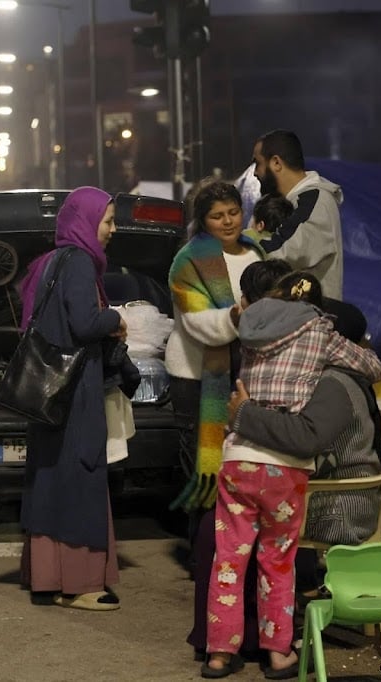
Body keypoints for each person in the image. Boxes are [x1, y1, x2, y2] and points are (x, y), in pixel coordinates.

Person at [203, 266, 381, 679]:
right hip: (284, 468)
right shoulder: (320, 330)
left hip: (238, 458)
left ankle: (218, 655)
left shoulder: (251, 323)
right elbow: (371, 367)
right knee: (277, 561)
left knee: (228, 560)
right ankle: (278, 653)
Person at [18, 186, 128, 611]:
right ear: (87, 221)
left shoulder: (50, 261)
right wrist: (115, 317)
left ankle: (49, 576)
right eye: (108, 221)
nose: (112, 230)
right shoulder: (80, 262)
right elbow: (85, 325)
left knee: (51, 479)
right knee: (82, 475)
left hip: (50, 392)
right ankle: (80, 584)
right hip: (76, 390)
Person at [166, 178, 264, 514]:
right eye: (217, 216)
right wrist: (237, 316)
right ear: (203, 221)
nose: (228, 221)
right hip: (196, 381)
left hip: (248, 377)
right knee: (205, 469)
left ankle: (236, 540)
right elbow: (200, 324)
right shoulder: (188, 262)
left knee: (243, 468)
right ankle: (206, 542)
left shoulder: (256, 253)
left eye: (233, 212)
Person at [251, 129, 344, 299]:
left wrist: (240, 248)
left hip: (312, 313)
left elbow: (285, 250)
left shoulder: (315, 201)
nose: (255, 172)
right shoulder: (281, 201)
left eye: (257, 163)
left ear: (276, 163)